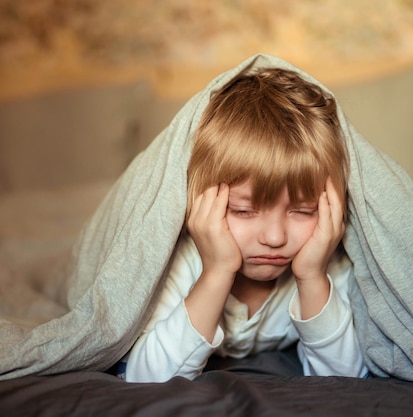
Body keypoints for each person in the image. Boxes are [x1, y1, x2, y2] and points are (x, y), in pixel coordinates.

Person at [123, 66, 369, 382]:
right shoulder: (180, 263)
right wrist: (216, 272)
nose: (275, 237)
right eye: (243, 211)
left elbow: (345, 378)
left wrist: (311, 276)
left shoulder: (326, 261)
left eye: (303, 211)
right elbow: (145, 377)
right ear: (197, 202)